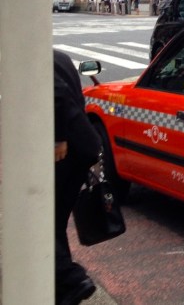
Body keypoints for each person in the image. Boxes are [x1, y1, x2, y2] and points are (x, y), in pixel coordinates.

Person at [54, 50, 103, 305]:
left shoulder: (33, 62)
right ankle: (62, 288)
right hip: (83, 147)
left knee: (42, 220)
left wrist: (58, 138)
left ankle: (71, 278)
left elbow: (59, 95)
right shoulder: (60, 57)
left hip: (64, 152)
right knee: (55, 220)